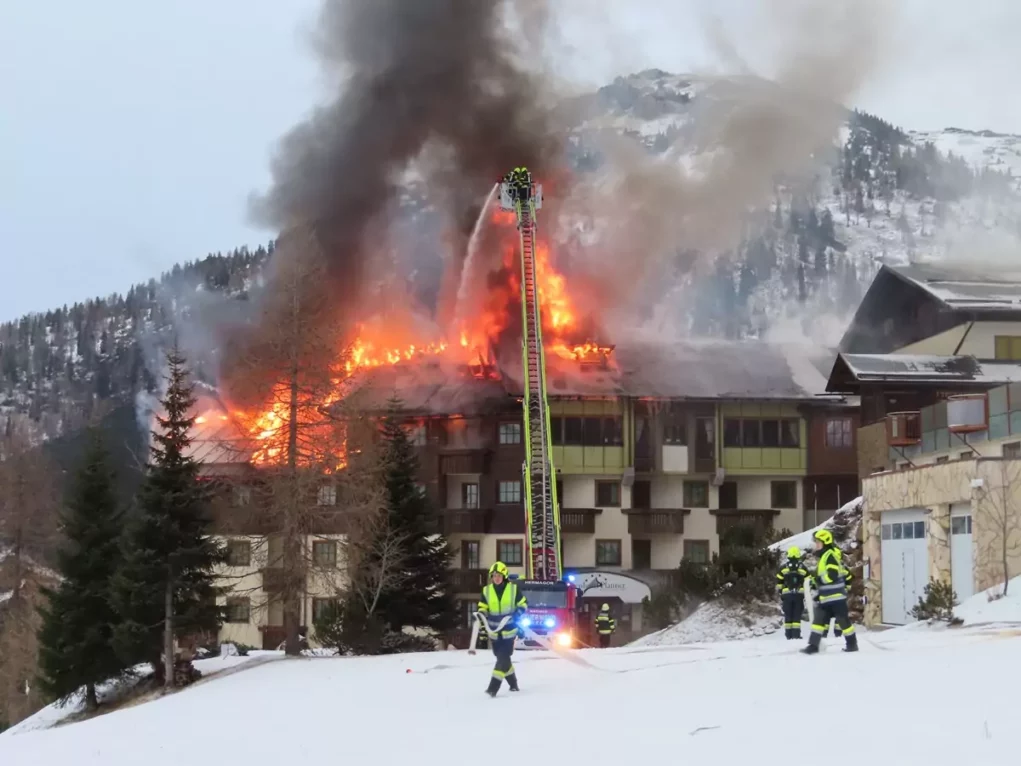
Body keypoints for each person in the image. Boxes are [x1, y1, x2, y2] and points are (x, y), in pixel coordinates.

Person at [802, 529, 858, 654]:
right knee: (818, 621)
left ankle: (852, 644)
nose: (816, 544)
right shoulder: (824, 557)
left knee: (843, 621)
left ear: (825, 542)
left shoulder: (830, 556)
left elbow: (831, 575)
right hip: (826, 597)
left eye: (818, 542)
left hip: (836, 597)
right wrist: (814, 583)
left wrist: (819, 580)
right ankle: (813, 646)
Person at [478, 561, 528, 696]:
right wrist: (481, 613)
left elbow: (523, 604)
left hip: (509, 631)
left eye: (499, 575)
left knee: (503, 658)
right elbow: (482, 606)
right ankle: (514, 684)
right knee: (503, 659)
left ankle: (492, 688)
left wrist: (518, 612)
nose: (496, 578)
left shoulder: (513, 589)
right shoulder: (486, 590)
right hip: (494, 632)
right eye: (494, 575)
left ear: (504, 576)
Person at [776, 546, 809, 640]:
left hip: (786, 595)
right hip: (799, 595)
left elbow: (779, 582)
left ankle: (788, 635)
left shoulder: (783, 568)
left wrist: (781, 592)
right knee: (796, 615)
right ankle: (796, 635)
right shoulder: (803, 567)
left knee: (788, 615)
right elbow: (808, 581)